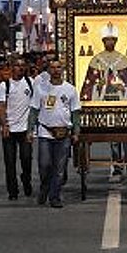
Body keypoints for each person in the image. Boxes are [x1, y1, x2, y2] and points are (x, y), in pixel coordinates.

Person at [28, 59, 80, 208]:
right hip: (45, 132)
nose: (56, 70)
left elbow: (75, 112)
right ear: (48, 70)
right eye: (53, 67)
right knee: (44, 165)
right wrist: (30, 130)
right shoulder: (41, 88)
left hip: (63, 133)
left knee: (59, 168)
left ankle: (54, 196)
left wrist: (76, 131)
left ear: (62, 69)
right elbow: (34, 110)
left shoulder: (70, 89)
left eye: (58, 67)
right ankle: (45, 186)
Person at [0, 57, 34, 200]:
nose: (21, 68)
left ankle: (26, 179)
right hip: (10, 129)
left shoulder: (30, 83)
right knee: (10, 162)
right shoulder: (5, 85)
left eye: (23, 65)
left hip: (25, 129)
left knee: (26, 158)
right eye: (18, 65)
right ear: (12, 67)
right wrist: (4, 125)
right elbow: (1, 106)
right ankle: (13, 191)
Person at [80, 22, 127, 102]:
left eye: (112, 39)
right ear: (103, 41)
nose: (110, 42)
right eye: (107, 40)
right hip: (100, 101)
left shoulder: (124, 60)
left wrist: (123, 88)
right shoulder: (95, 60)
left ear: (116, 41)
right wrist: (98, 86)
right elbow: (88, 87)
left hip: (120, 101)